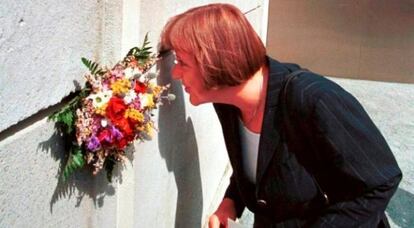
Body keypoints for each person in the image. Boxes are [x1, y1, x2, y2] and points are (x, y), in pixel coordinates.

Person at [159, 3, 402, 228]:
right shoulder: (228, 103)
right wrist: (231, 201)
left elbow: (380, 182)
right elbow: (261, 161)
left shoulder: (313, 100)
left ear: (214, 62)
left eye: (183, 62)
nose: (177, 74)